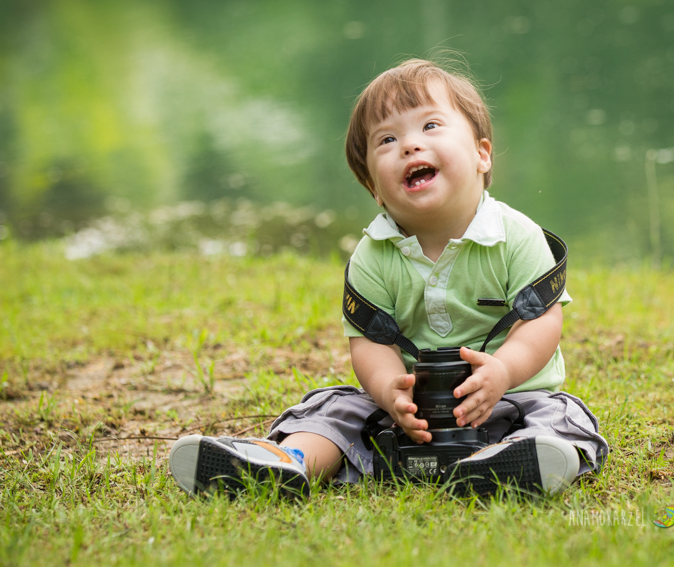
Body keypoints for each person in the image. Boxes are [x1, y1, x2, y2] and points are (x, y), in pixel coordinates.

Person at [168, 59, 608, 498]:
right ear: (374, 188)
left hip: (511, 399)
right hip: (412, 419)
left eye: (431, 126)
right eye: (387, 140)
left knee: (560, 415)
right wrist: (390, 393)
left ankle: (514, 459)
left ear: (482, 154)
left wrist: (504, 371)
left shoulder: (516, 235)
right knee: (336, 408)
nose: (410, 145)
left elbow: (540, 320)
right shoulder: (373, 254)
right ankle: (287, 462)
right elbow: (370, 342)